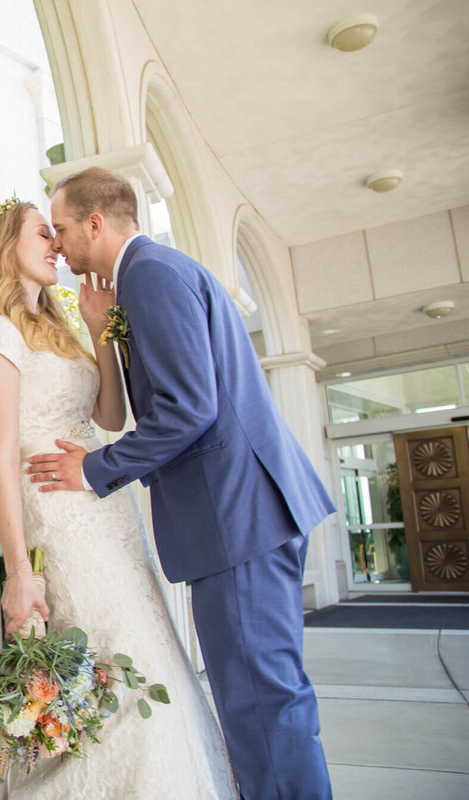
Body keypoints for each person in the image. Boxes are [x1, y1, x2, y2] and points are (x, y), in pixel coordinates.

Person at [28, 167, 335, 800]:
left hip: (236, 519)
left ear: (95, 222)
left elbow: (188, 409)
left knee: (261, 706)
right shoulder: (148, 277)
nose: (57, 245)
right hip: (243, 517)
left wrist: (93, 469)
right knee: (264, 701)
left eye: (61, 229)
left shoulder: (151, 276)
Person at [0, 196, 236, 798]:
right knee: (115, 667)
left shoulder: (57, 331)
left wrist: (98, 330)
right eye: (44, 234)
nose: (57, 246)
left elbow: (109, 414)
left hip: (106, 509)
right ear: (9, 247)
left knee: (149, 654)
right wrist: (17, 572)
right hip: (57, 517)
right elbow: (1, 457)